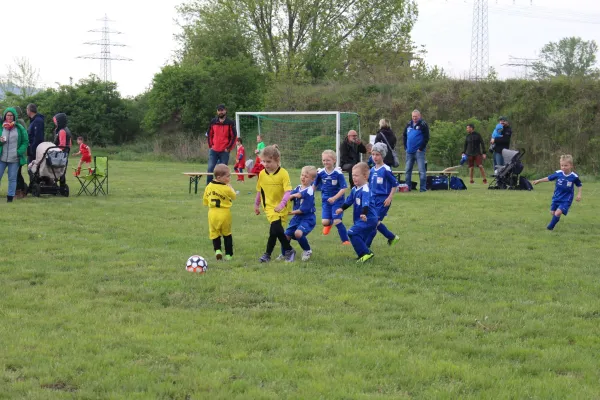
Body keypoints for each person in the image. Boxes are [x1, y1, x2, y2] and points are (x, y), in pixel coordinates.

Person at [255, 145, 296, 262]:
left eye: (269, 161)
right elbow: (259, 190)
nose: (266, 164)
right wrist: (256, 204)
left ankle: (268, 254)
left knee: (275, 230)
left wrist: (282, 204)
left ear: (277, 161)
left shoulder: (283, 173)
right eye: (264, 161)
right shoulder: (262, 174)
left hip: (281, 207)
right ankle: (286, 250)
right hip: (269, 207)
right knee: (276, 228)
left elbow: (288, 191)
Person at [335, 162, 378, 263]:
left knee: (351, 232)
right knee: (358, 236)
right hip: (361, 219)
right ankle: (362, 255)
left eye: (356, 175)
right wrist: (342, 208)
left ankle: (366, 253)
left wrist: (364, 213)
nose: (354, 178)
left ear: (365, 176)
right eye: (352, 175)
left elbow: (366, 203)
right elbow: (349, 200)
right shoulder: (355, 189)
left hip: (368, 218)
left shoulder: (365, 189)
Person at [532, 154, 582, 231]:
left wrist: (579, 194)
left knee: (558, 213)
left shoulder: (574, 176)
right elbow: (549, 178)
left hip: (566, 198)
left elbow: (579, 185)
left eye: (566, 165)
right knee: (553, 212)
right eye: (562, 165)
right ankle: (554, 221)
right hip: (556, 197)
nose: (563, 167)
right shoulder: (558, 173)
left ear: (571, 165)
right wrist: (539, 180)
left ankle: (549, 228)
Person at [365, 143, 401, 247]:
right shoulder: (372, 170)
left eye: (377, 154)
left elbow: (395, 184)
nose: (375, 157)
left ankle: (365, 249)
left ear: (382, 155)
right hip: (373, 200)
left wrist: (389, 197)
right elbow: (370, 185)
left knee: (373, 223)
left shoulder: (386, 169)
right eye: (373, 154)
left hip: (383, 200)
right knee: (373, 222)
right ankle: (392, 237)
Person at [313, 149, 350, 244]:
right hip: (325, 200)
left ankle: (345, 241)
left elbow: (344, 188)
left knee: (337, 220)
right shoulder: (320, 173)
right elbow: (314, 185)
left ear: (334, 160)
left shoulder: (338, 173)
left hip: (338, 200)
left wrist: (334, 198)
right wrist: (309, 195)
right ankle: (329, 224)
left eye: (328, 160)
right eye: (323, 160)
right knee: (325, 222)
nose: (325, 162)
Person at [282, 166, 318, 262]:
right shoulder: (298, 187)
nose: (303, 177)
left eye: (306, 176)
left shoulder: (310, 190)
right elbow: (289, 195)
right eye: (302, 175)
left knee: (298, 233)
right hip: (297, 218)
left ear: (312, 179)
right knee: (286, 236)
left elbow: (302, 205)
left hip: (308, 218)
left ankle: (307, 250)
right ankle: (285, 253)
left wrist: (290, 212)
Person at [203, 164, 237, 260]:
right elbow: (234, 196)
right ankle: (229, 255)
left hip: (212, 213)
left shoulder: (209, 186)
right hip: (224, 213)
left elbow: (205, 200)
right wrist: (231, 188)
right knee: (227, 234)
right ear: (219, 177)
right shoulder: (226, 188)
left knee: (214, 233)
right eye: (227, 176)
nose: (229, 178)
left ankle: (217, 250)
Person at [0, 107, 29, 202]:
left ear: (14, 116)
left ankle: (10, 197)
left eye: (11, 115)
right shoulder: (1, 127)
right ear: (5, 116)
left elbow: (25, 141)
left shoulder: (19, 128)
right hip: (2, 157)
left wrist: (19, 152)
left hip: (14, 158)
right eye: (7, 115)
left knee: (12, 178)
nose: (9, 117)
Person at [206, 104, 237, 184]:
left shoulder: (230, 123)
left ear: (225, 111)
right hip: (214, 150)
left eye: (222, 110)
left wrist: (228, 148)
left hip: (224, 151)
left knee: (223, 170)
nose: (220, 112)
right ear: (217, 112)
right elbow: (209, 134)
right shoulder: (213, 121)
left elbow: (234, 137)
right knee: (210, 168)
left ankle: (222, 185)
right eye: (219, 110)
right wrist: (210, 146)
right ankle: (209, 186)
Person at [403, 110, 430, 192]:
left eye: (416, 116)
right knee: (407, 170)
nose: (414, 118)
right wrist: (405, 147)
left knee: (421, 170)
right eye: (413, 116)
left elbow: (426, 137)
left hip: (419, 152)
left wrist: (421, 148)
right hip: (409, 152)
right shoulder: (408, 124)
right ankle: (408, 188)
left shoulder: (423, 124)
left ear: (419, 116)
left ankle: (422, 188)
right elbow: (404, 135)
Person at [12, 106, 28, 199]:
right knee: (18, 172)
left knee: (17, 172)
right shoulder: (21, 121)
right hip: (20, 151)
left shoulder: (19, 122)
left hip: (19, 151)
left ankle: (20, 191)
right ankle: (22, 190)